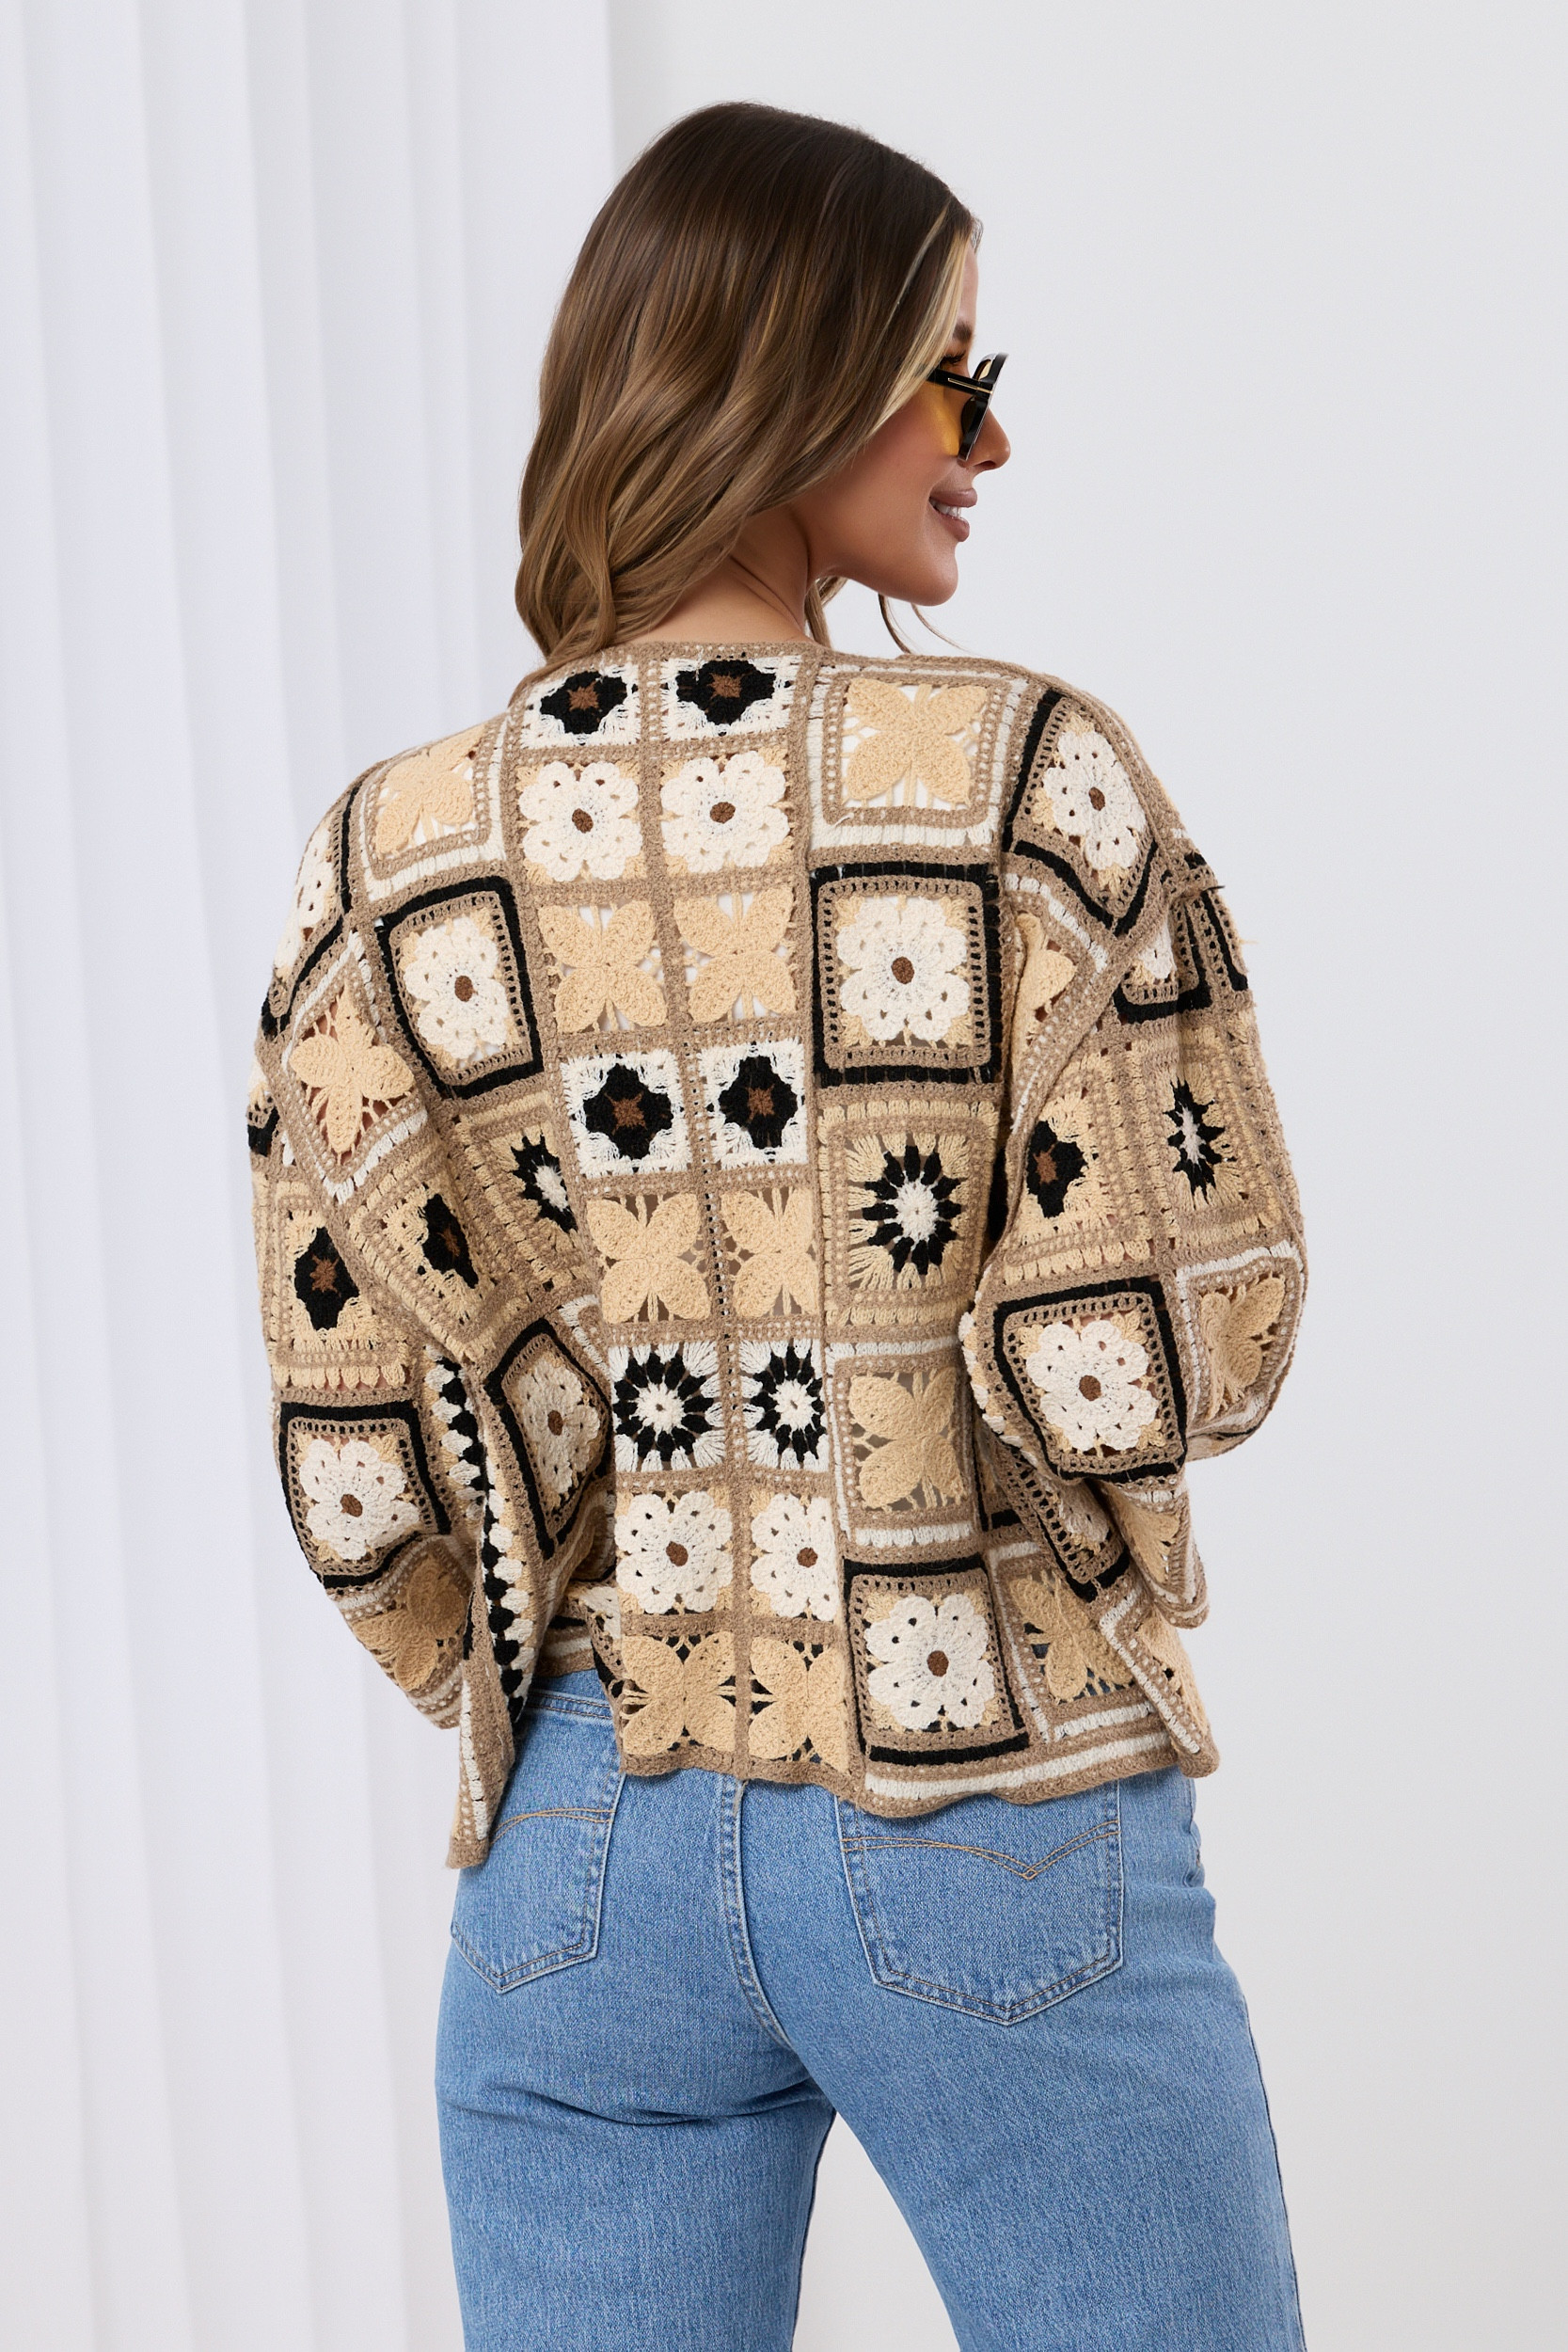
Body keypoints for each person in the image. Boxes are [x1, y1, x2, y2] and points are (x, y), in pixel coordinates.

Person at [248, 101, 1307, 2352]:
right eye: (955, 375)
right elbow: (1174, 1331)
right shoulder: (1021, 780)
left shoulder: (397, 852)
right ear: (796, 370)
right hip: (983, 1777)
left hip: (581, 1846)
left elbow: (360, 1442)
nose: (988, 444)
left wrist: (538, 1674)